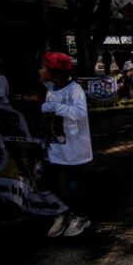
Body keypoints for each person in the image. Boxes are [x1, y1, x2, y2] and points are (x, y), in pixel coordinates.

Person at [38, 52, 92, 237]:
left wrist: (53, 108)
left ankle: (81, 217)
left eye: (43, 68)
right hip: (54, 147)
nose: (40, 71)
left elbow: (79, 113)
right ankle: (61, 213)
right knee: (44, 184)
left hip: (72, 148)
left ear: (53, 71)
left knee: (74, 185)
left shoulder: (75, 90)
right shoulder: (51, 89)